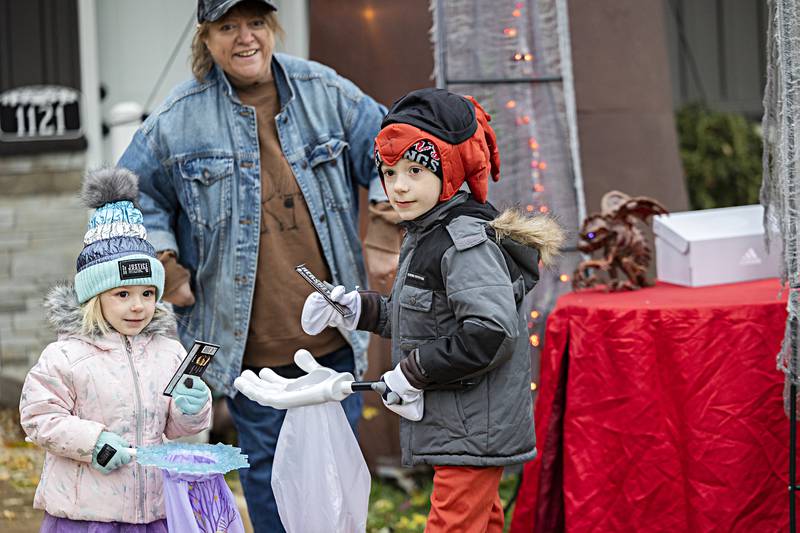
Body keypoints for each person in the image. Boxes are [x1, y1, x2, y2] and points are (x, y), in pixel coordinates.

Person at [116, 0, 398, 530]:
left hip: (334, 340)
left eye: (254, 23)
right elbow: (127, 193)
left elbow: (390, 147)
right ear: (205, 37)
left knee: (338, 477)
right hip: (245, 351)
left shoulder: (326, 92)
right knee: (271, 482)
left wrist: (384, 230)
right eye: (228, 27)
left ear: (271, 28)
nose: (245, 38)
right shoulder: (179, 118)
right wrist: (166, 267)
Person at [301, 88, 565, 532]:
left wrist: (412, 372)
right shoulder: (426, 232)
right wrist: (353, 309)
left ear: (450, 170)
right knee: (480, 522)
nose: (398, 186)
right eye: (389, 172)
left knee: (452, 524)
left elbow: (490, 332)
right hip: (457, 424)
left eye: (415, 170)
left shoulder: (464, 242)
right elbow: (422, 319)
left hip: (472, 426)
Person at [19, 167, 212, 532]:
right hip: (87, 516)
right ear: (95, 297)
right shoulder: (67, 356)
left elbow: (176, 426)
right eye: (122, 294)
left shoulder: (168, 352)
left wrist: (192, 408)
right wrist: (93, 443)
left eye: (148, 293)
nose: (138, 306)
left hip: (155, 512)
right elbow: (39, 417)